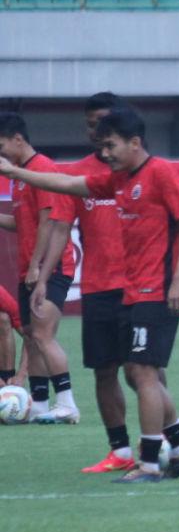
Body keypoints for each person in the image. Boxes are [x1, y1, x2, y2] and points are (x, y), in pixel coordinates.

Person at [0, 107, 179, 482]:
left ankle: (148, 463)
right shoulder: (118, 181)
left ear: (134, 142)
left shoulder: (160, 172)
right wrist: (17, 173)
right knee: (132, 372)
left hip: (155, 290)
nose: (104, 153)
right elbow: (68, 185)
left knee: (142, 372)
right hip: (130, 292)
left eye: (110, 145)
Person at [36, 92, 142, 471]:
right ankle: (120, 451)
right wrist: (43, 278)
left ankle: (166, 441)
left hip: (138, 287)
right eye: (90, 124)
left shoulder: (142, 171)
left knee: (142, 371)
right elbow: (60, 227)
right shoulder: (76, 174)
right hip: (98, 287)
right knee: (104, 371)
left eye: (103, 123)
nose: (96, 130)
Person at [0, 112, 80, 423]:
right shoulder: (19, 178)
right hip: (29, 269)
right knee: (33, 337)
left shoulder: (42, 169)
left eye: (1, 145)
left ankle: (67, 403)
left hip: (50, 267)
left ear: (18, 139)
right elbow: (24, 223)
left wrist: (37, 266)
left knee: (43, 335)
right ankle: (41, 404)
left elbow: (49, 220)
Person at [0, 283, 28, 387]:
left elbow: (30, 337)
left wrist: (21, 375)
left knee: (2, 318)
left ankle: (7, 380)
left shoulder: (2, 297)